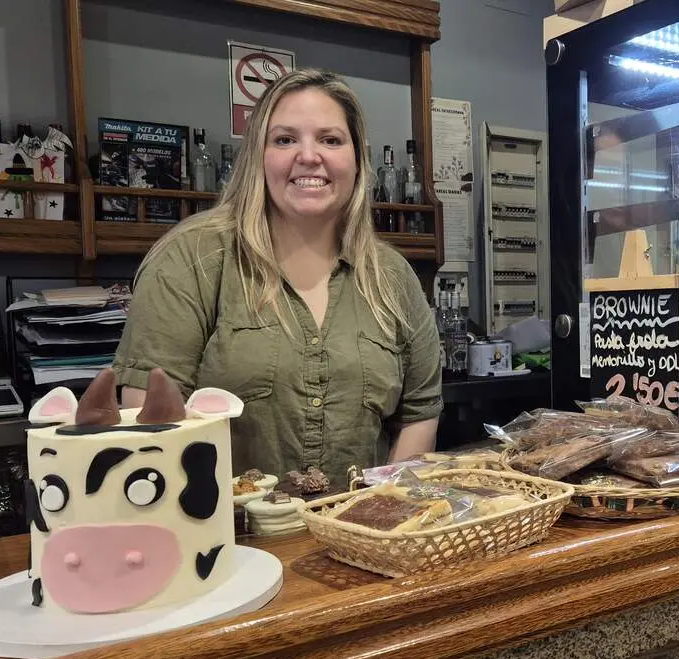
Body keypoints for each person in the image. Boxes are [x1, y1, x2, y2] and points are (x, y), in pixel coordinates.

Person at [111, 68, 442, 487]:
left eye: (330, 139)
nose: (309, 156)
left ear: (357, 160)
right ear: (257, 156)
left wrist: (379, 513)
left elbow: (419, 412)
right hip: (228, 541)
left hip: (358, 539)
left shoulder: (392, 277)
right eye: (285, 139)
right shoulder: (193, 258)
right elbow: (150, 417)